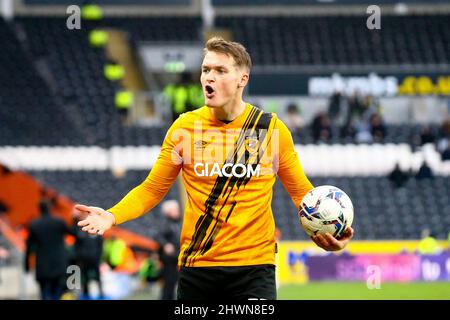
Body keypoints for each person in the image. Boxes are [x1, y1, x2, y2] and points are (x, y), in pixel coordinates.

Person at [75, 37, 354, 300]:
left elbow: (302, 194)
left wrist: (325, 235)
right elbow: (152, 190)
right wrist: (112, 216)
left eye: (220, 70)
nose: (209, 77)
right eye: (205, 69)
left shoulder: (270, 129)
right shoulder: (184, 128)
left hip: (254, 268)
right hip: (198, 267)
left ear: (242, 79)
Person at [24, 200, 74, 300]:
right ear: (50, 208)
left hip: (42, 264)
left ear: (39, 209)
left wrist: (26, 265)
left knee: (44, 293)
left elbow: (29, 247)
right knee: (58, 292)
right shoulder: (58, 221)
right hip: (59, 263)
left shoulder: (34, 224)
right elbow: (74, 234)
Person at [72, 217, 104, 299]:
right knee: (86, 277)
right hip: (86, 259)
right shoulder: (82, 234)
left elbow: (100, 246)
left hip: (93, 259)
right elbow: (77, 245)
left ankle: (101, 293)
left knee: (97, 277)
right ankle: (87, 294)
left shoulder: (96, 233)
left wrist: (98, 257)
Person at [155, 200, 181, 300]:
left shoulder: (179, 221)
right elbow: (157, 236)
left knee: (175, 282)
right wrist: (166, 244)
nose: (177, 211)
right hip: (169, 258)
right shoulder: (164, 222)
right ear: (168, 212)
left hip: (178, 256)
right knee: (169, 283)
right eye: (174, 210)